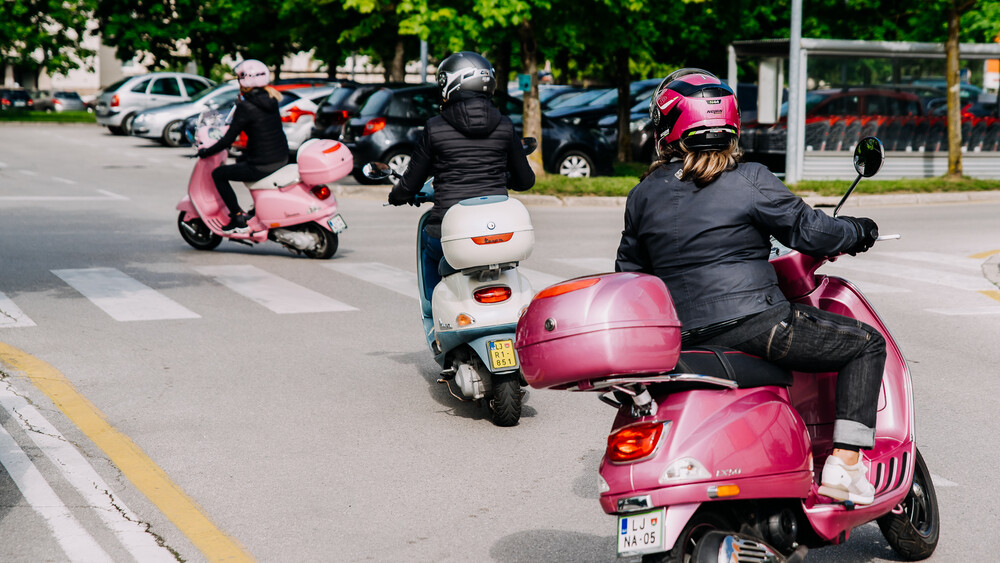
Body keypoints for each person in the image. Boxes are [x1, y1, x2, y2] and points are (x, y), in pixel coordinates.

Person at [614, 68, 886, 506]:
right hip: (758, 326)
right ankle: (846, 465)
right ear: (731, 124)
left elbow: (630, 273)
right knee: (866, 344)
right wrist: (858, 230)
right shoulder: (750, 178)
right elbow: (810, 232)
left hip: (681, 338)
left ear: (669, 127)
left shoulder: (643, 194)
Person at [388, 51, 535, 301]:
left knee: (428, 244)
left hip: (450, 232)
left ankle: (432, 308)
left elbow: (411, 182)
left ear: (452, 84)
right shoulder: (505, 125)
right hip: (500, 231)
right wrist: (500, 178)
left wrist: (397, 195)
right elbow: (526, 181)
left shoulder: (435, 127)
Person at [197, 59, 289, 233]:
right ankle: (257, 210)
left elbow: (228, 140)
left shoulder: (246, 107)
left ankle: (238, 216)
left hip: (263, 164)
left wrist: (205, 152)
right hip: (280, 157)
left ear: (244, 80)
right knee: (240, 159)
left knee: (218, 174)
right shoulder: (271, 99)